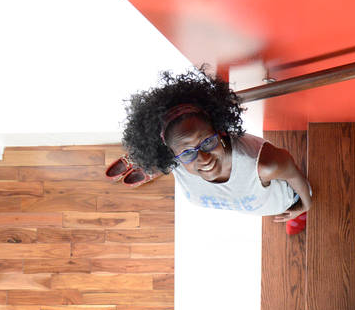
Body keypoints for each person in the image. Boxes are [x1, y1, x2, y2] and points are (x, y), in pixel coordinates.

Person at [120, 69, 311, 234]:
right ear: (171, 153)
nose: (203, 158)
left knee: (293, 209)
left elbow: (294, 175)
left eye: (207, 142)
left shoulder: (264, 165)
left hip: (287, 201)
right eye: (187, 152)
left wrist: (305, 206)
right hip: (261, 206)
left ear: (219, 131)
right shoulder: (176, 162)